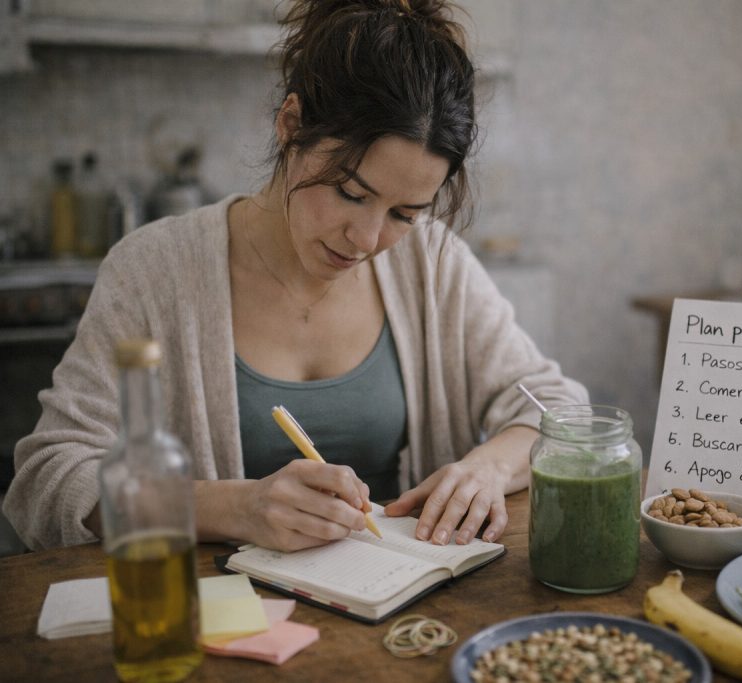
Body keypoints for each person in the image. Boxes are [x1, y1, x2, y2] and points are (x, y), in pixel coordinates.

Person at [4, 0, 587, 551]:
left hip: (399, 606)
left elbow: (561, 412)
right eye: (350, 193)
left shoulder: (432, 265)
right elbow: (48, 477)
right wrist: (232, 508)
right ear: (290, 124)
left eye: (404, 214)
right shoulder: (155, 271)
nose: (367, 240)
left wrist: (488, 468)